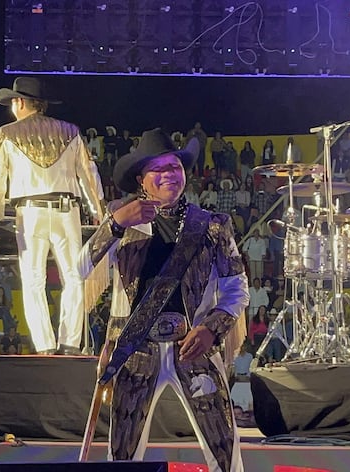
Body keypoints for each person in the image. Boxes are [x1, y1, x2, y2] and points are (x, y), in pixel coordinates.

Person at [79, 128, 248, 471]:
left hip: (195, 349)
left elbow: (236, 288)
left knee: (225, 453)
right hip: (134, 352)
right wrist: (113, 224)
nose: (170, 174)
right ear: (141, 179)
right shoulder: (121, 222)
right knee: (122, 456)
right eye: (159, 169)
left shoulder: (213, 225)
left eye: (175, 166)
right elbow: (80, 269)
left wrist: (212, 330)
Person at [0, 77, 104, 356]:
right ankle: (70, 343)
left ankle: (45, 344)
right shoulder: (70, 131)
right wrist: (98, 211)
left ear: (20, 102)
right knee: (74, 278)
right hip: (67, 210)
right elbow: (89, 174)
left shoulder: (7, 133)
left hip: (29, 213)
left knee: (33, 279)